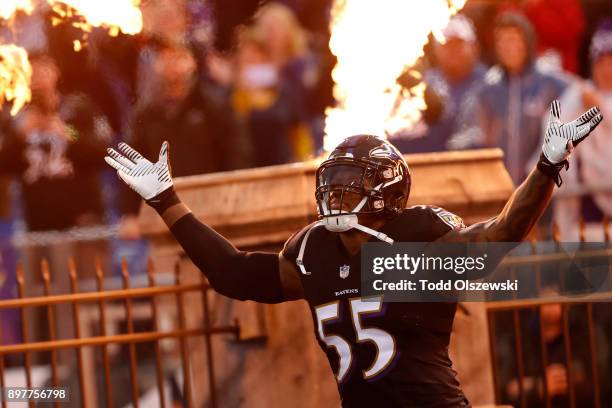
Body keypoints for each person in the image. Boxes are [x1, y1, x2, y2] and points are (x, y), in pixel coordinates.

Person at [105, 98, 602, 406]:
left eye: (351, 184)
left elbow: (502, 233)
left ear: (386, 190)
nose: (336, 196)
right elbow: (233, 273)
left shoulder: (419, 241)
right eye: (333, 184)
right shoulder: (315, 253)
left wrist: (546, 166)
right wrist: (166, 200)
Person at [453, 12, 568, 185]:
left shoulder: (549, 83)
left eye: (513, 39)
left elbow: (579, 94)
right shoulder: (488, 88)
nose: (507, 47)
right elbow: (470, 132)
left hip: (540, 186)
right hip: (498, 187)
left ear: (527, 42)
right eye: (501, 41)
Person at [552, 20, 612, 241]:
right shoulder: (576, 97)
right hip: (587, 213)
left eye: (611, 61)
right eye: (601, 62)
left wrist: (602, 110)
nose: (606, 69)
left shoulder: (593, 100)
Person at [393, 15, 487, 153]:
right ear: (436, 49)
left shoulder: (490, 83)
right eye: (446, 44)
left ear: (474, 46)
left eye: (458, 43)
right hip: (432, 165)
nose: (453, 51)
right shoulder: (423, 85)